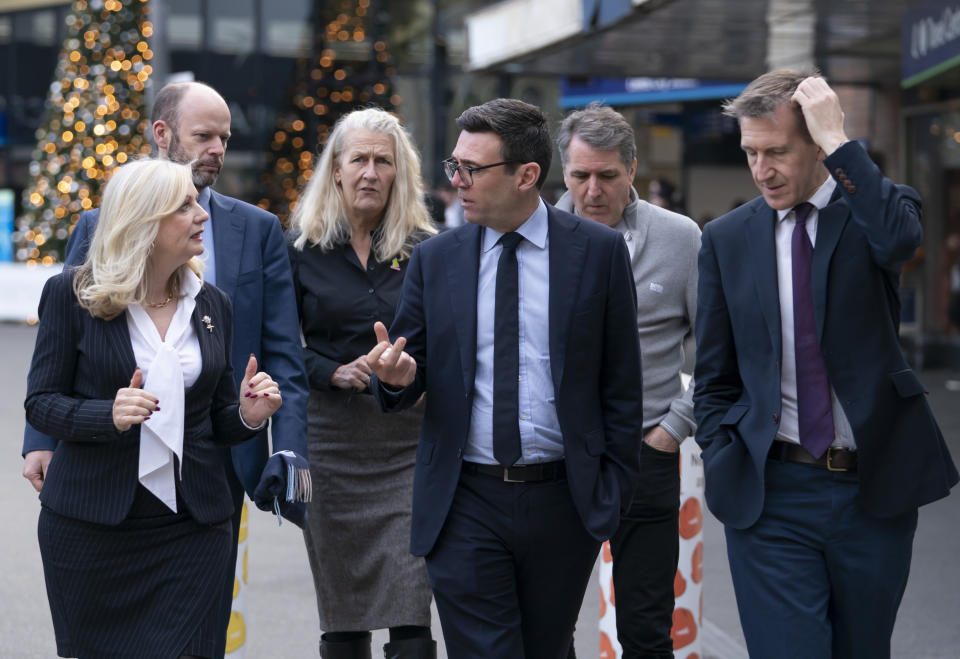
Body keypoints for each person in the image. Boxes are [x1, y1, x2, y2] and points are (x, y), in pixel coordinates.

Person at [21, 81, 309, 657]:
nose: (218, 151)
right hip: (94, 519)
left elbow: (255, 380)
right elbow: (48, 389)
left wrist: (256, 421)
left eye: (225, 138)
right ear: (145, 219)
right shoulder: (75, 285)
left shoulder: (215, 299)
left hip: (197, 512)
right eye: (205, 135)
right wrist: (89, 423)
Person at [365, 98, 644, 658]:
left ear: (527, 176)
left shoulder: (599, 252)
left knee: (547, 647)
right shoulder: (435, 259)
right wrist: (394, 378)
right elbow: (403, 364)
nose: (457, 182)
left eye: (472, 169)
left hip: (563, 499)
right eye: (454, 166)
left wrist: (609, 491)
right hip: (465, 497)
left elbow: (621, 386)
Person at [693, 70, 958, 658]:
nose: (762, 170)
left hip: (873, 490)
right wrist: (720, 449)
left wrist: (841, 140)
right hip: (772, 492)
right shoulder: (728, 238)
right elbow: (714, 374)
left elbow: (897, 241)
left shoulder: (876, 213)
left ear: (816, 144)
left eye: (778, 151)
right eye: (751, 153)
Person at [287, 107, 437, 659]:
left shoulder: (425, 247)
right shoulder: (298, 249)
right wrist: (330, 370)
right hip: (329, 445)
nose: (371, 171)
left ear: (400, 174)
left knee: (411, 604)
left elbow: (443, 344)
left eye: (383, 161)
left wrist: (407, 369)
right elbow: (277, 349)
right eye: (360, 160)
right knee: (344, 614)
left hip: (407, 444)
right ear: (337, 171)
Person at [555, 103, 700, 659]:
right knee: (547, 626)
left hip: (646, 455)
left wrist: (673, 428)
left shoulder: (680, 239)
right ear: (563, 172)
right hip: (557, 459)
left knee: (646, 632)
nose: (593, 190)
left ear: (633, 170)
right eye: (579, 175)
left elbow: (717, 349)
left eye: (607, 176)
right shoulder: (535, 236)